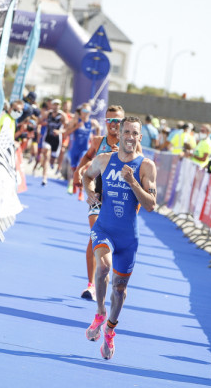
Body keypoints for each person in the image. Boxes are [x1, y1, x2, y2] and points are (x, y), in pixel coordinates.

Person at [82, 116, 157, 360]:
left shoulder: (146, 166)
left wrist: (133, 182)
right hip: (104, 228)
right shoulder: (105, 160)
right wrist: (89, 192)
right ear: (120, 134)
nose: (130, 137)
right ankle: (100, 313)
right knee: (103, 267)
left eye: (135, 133)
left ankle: (110, 330)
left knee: (120, 289)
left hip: (128, 237)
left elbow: (151, 205)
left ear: (139, 137)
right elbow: (86, 175)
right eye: (126, 132)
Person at [73, 105, 126, 301]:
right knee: (95, 235)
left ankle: (107, 278)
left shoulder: (130, 144)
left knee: (111, 243)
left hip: (119, 200)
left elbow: (139, 169)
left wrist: (123, 158)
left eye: (117, 121)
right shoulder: (98, 141)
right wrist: (77, 172)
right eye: (109, 120)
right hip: (98, 195)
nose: (113, 124)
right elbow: (88, 156)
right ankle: (91, 285)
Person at [65, 103, 100, 198]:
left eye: (88, 111)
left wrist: (97, 138)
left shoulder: (92, 122)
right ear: (80, 112)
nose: (85, 113)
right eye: (84, 111)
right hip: (75, 149)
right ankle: (72, 185)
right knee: (73, 169)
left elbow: (98, 129)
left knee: (82, 168)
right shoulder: (75, 121)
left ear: (90, 112)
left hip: (85, 150)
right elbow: (66, 133)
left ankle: (81, 191)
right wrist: (76, 127)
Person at [40, 99, 67, 185]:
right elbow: (40, 120)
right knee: (46, 156)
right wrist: (42, 123)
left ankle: (52, 162)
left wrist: (60, 131)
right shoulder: (48, 114)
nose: (56, 106)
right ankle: (44, 178)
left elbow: (67, 127)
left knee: (52, 159)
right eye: (54, 104)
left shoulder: (62, 115)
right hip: (48, 137)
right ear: (52, 105)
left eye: (58, 105)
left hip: (56, 140)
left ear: (60, 106)